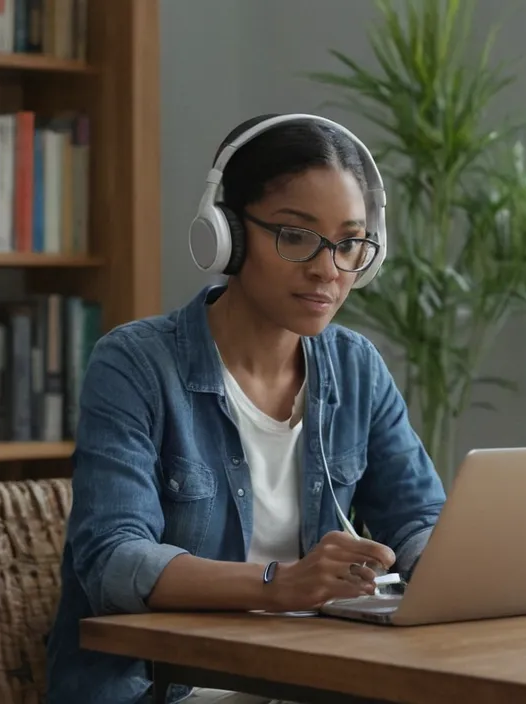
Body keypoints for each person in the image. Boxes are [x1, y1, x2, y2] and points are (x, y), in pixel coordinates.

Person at [45, 114, 447, 704]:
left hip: (310, 681)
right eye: (295, 235)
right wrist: (280, 585)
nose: (327, 269)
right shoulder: (134, 364)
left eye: (350, 243)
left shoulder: (355, 367)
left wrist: (469, 566)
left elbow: (418, 521)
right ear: (226, 235)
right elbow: (113, 562)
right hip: (162, 690)